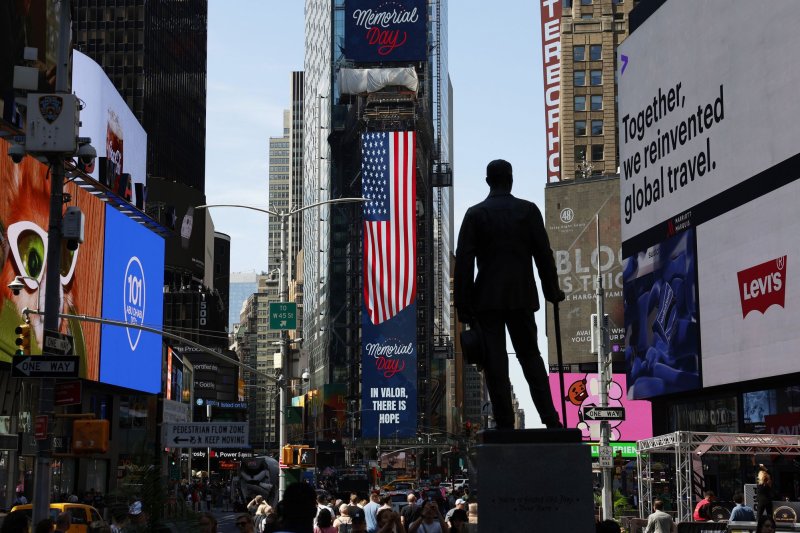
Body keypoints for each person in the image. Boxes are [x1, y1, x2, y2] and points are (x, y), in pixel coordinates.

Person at [454, 159, 565, 429]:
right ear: (511, 179)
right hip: (520, 297)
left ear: (488, 181)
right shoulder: (527, 211)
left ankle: (504, 422)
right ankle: (550, 418)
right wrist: (552, 289)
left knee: (495, 363)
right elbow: (543, 254)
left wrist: (463, 305)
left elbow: (464, 263)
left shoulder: (475, 214)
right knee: (530, 357)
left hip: (487, 301)